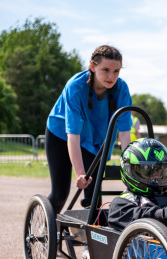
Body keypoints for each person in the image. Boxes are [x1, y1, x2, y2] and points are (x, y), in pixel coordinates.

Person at [46, 45, 132, 214]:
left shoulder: (121, 88)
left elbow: (124, 134)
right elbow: (73, 134)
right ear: (92, 66)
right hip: (62, 135)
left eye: (116, 71)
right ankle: (44, 229)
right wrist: (80, 174)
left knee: (93, 198)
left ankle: (89, 235)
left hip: (92, 138)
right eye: (105, 70)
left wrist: (131, 171)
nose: (111, 76)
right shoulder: (76, 87)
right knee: (60, 194)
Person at [108, 138, 167, 232]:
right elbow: (137, 217)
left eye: (160, 170)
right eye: (148, 171)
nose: (156, 176)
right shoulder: (121, 203)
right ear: (129, 171)